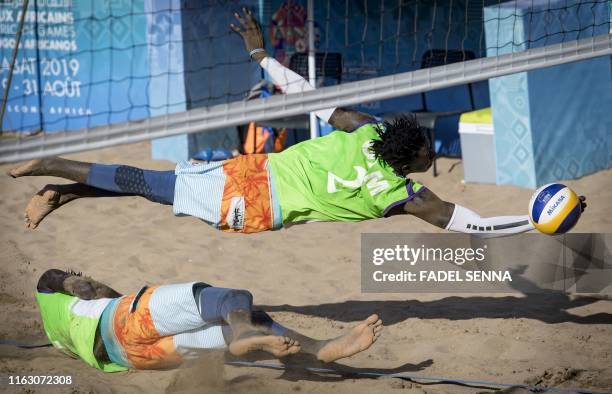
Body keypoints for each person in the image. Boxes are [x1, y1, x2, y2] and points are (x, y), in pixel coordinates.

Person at [7, 9, 586, 235]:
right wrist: (532, 222)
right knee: (148, 185)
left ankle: (63, 190)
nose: (432, 158)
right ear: (412, 163)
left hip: (254, 178)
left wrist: (261, 56)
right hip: (257, 202)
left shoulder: (364, 130)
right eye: (429, 155)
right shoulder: (405, 195)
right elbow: (471, 224)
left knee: (156, 189)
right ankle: (52, 167)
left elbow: (306, 94)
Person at [35, 268, 383, 371]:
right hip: (123, 319)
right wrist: (75, 281)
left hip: (132, 358)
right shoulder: (55, 300)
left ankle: (319, 351)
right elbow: (48, 277)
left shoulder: (58, 334)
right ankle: (318, 348)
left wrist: (85, 286)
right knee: (234, 301)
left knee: (235, 328)